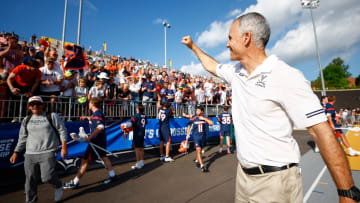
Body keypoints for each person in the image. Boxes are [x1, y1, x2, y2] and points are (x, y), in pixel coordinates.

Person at [182, 12, 360, 202]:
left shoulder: (285, 76)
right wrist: (193, 47)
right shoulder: (236, 72)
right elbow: (212, 66)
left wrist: (346, 191)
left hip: (276, 182)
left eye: (230, 38)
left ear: (246, 37)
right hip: (243, 177)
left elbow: (321, 131)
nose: (227, 44)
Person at [9, 96, 68, 202]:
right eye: (32, 104)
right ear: (29, 107)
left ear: (43, 105)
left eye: (38, 104)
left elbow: (62, 130)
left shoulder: (52, 116)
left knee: (47, 177)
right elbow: (22, 138)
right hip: (30, 153)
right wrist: (16, 152)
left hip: (48, 151)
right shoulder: (26, 120)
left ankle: (58, 185)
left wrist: (64, 147)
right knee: (30, 180)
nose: (35, 106)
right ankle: (31, 201)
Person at [63, 97, 116, 189]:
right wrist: (87, 117)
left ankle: (75, 182)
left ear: (92, 104)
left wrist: (90, 137)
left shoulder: (97, 114)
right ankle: (112, 175)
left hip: (96, 140)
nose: (88, 104)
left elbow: (100, 126)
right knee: (103, 157)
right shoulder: (96, 113)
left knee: (85, 160)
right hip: (99, 140)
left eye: (89, 103)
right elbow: (94, 119)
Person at [186, 105, 213, 172]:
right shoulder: (193, 117)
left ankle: (197, 160)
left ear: (202, 111)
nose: (197, 111)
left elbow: (211, 123)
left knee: (200, 150)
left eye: (198, 110)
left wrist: (204, 119)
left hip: (203, 137)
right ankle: (202, 166)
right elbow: (189, 125)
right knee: (198, 150)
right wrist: (187, 134)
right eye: (196, 110)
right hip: (196, 137)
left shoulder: (205, 117)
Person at [130, 105, 148, 169]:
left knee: (137, 149)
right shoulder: (144, 115)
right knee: (141, 148)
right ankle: (142, 162)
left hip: (137, 133)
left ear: (138, 109)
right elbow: (146, 122)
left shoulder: (136, 116)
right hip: (142, 132)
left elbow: (130, 123)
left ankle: (138, 163)